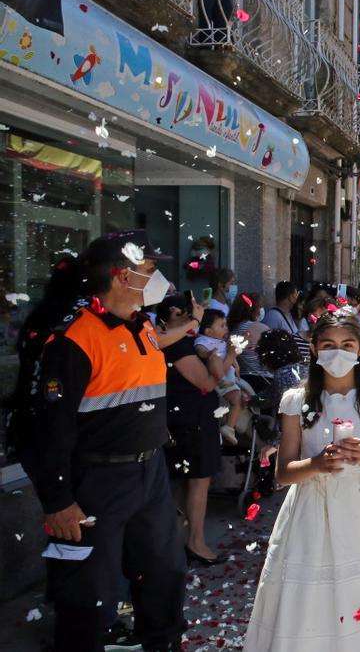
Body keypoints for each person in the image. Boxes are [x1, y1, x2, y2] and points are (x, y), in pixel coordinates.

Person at [29, 230, 187, 651]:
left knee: (163, 576)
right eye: (149, 269)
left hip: (149, 473)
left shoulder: (145, 326)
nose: (159, 278)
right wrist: (58, 500)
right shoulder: (74, 339)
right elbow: (49, 427)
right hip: (97, 479)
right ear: (121, 277)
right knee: (88, 593)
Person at [242, 311, 360, 651]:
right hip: (312, 509)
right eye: (328, 345)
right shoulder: (296, 402)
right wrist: (316, 462)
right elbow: (283, 472)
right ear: (313, 348)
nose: (337, 353)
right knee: (312, 591)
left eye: (346, 345)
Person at [157, 297, 233, 565]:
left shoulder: (185, 341)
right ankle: (195, 542)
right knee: (197, 481)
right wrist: (218, 365)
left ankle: (183, 540)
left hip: (193, 418)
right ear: (170, 316)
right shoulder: (176, 343)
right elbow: (206, 383)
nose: (190, 317)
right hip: (191, 421)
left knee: (191, 482)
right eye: (184, 313)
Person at [195, 308, 244, 439]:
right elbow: (199, 349)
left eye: (226, 325)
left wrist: (237, 366)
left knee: (238, 400)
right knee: (215, 359)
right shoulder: (203, 340)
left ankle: (229, 427)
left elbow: (232, 356)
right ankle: (222, 381)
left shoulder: (222, 342)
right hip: (219, 378)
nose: (226, 328)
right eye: (222, 326)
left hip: (228, 377)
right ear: (208, 331)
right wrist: (208, 354)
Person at [228, 292, 273, 395]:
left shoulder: (231, 330)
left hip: (242, 378)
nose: (261, 309)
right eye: (260, 306)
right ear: (253, 309)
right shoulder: (259, 328)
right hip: (262, 380)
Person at [263, 281, 308, 363]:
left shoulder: (289, 315)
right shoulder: (274, 316)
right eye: (295, 294)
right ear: (290, 297)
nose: (297, 298)